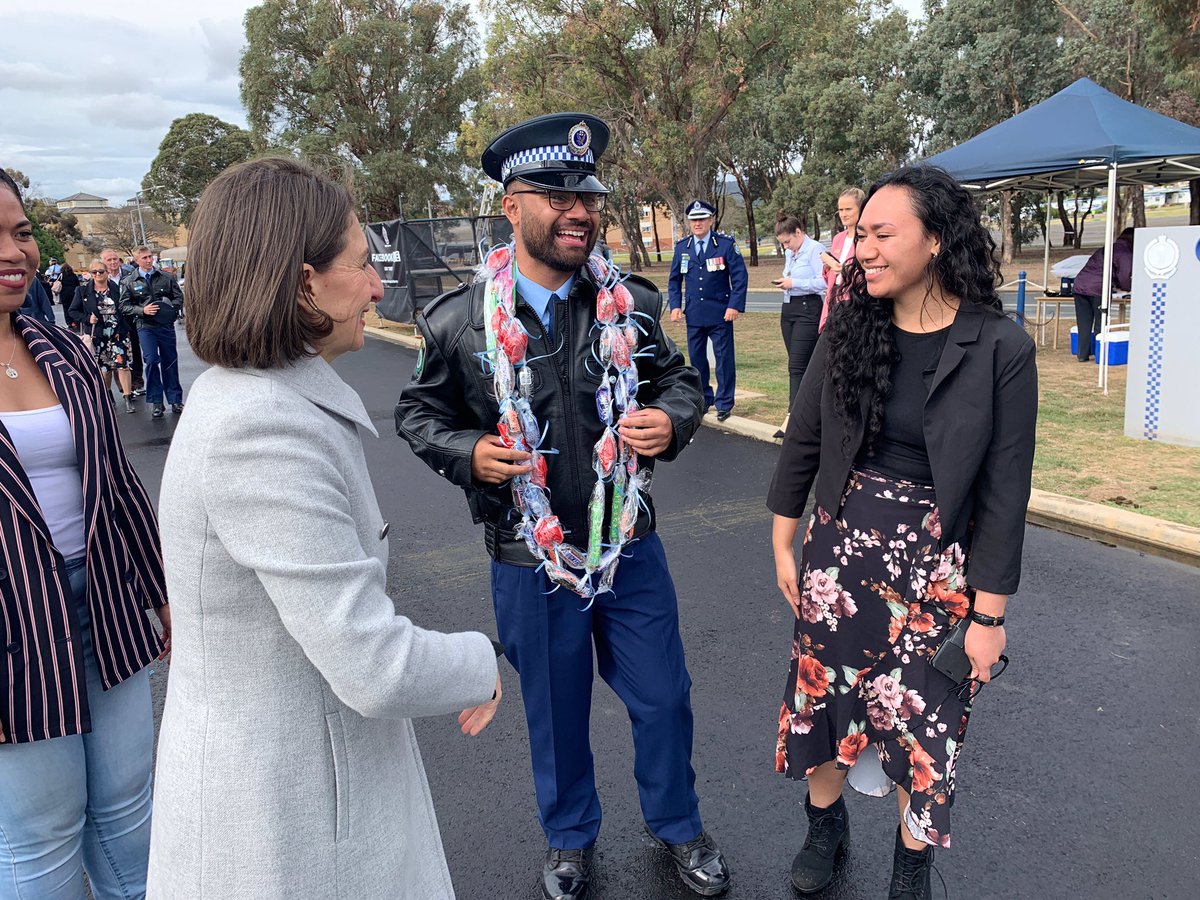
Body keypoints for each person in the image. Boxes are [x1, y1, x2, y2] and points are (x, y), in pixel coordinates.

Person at [146, 156, 502, 898]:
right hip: (286, 821)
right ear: (304, 283)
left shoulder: (261, 403)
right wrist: (482, 661)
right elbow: (371, 663)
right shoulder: (262, 430)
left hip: (307, 787)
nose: (377, 286)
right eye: (363, 264)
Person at [396, 113, 731, 900]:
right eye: (557, 194)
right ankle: (570, 837)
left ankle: (678, 825)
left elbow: (679, 380)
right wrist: (467, 454)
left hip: (628, 546)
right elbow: (418, 414)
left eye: (590, 196)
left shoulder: (631, 305)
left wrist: (673, 419)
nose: (580, 211)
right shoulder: (457, 321)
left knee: (665, 697)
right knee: (556, 710)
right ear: (511, 205)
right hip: (527, 554)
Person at [768, 165, 1037, 899]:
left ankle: (909, 871)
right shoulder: (851, 327)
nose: (864, 250)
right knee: (824, 701)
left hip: (938, 576)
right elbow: (805, 440)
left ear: (937, 241)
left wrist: (989, 617)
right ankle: (824, 828)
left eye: (882, 235)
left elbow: (1006, 491)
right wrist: (783, 535)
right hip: (839, 561)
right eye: (861, 236)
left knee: (926, 727)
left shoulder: (1000, 349)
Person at [0, 167, 169, 898]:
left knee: (132, 815)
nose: (14, 249)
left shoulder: (59, 347)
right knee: (41, 841)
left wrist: (160, 592)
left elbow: (117, 482)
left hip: (102, 603)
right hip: (13, 632)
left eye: (17, 230)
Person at [668, 199, 748, 422]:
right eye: (693, 220)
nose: (697, 223)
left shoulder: (724, 245)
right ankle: (703, 398)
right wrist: (675, 306)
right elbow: (674, 280)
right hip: (694, 314)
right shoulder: (682, 247)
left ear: (711, 220)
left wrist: (734, 305)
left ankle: (724, 402)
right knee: (697, 360)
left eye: (702, 219)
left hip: (720, 312)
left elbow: (740, 277)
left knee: (723, 360)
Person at [772, 211, 827, 439]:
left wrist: (794, 282)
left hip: (808, 309)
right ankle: (809, 414)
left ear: (798, 232)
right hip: (790, 309)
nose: (786, 247)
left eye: (788, 242)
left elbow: (824, 281)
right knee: (800, 367)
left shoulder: (816, 250)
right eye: (782, 244)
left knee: (797, 367)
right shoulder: (791, 253)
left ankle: (792, 417)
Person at [119, 245, 184, 417]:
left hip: (165, 326)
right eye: (145, 258)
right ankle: (156, 401)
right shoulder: (129, 281)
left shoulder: (165, 277)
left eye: (150, 257)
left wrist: (168, 309)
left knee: (170, 361)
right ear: (136, 260)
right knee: (152, 361)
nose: (149, 260)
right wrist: (142, 311)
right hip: (145, 326)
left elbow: (178, 298)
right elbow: (124, 306)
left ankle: (175, 399)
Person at [72, 258, 136, 412]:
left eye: (101, 271)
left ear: (107, 272)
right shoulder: (82, 291)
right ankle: (108, 397)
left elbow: (126, 306)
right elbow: (72, 311)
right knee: (105, 369)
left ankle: (128, 399)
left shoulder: (117, 288)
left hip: (118, 333)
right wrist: (87, 318)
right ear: (90, 274)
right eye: (94, 272)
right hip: (99, 336)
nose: (98, 274)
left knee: (123, 366)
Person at [1071, 227, 1133, 362]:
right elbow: (1125, 275)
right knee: (1101, 322)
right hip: (1099, 288)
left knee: (1084, 323)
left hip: (1080, 284)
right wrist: (1127, 288)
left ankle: (1082, 354)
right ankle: (1100, 354)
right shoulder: (1125, 253)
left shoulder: (1107, 248)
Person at [819, 187, 866, 331]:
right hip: (833, 301)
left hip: (855, 302)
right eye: (840, 210)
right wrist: (828, 266)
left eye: (848, 209)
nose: (843, 214)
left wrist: (846, 270)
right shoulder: (838, 238)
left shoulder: (867, 238)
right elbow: (831, 278)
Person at [102, 248, 142, 392]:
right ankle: (122, 384)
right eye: (109, 260)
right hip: (111, 321)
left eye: (115, 259)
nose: (113, 262)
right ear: (103, 263)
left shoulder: (129, 275)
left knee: (135, 350)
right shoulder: (101, 278)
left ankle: (137, 381)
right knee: (114, 353)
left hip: (130, 318)